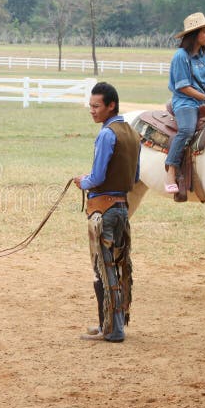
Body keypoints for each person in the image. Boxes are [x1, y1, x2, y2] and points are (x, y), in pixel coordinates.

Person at [74, 82, 140, 343]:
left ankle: (112, 330)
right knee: (120, 266)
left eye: (96, 106)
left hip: (103, 209)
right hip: (122, 207)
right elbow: (134, 176)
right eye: (90, 106)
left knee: (104, 269)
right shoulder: (132, 134)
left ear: (111, 105)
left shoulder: (106, 135)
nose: (92, 111)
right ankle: (109, 322)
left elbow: (98, 176)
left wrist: (84, 181)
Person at [164, 12, 205, 194]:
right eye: (204, 32)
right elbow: (182, 87)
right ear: (194, 35)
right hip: (185, 102)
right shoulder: (180, 56)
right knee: (187, 130)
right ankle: (171, 168)